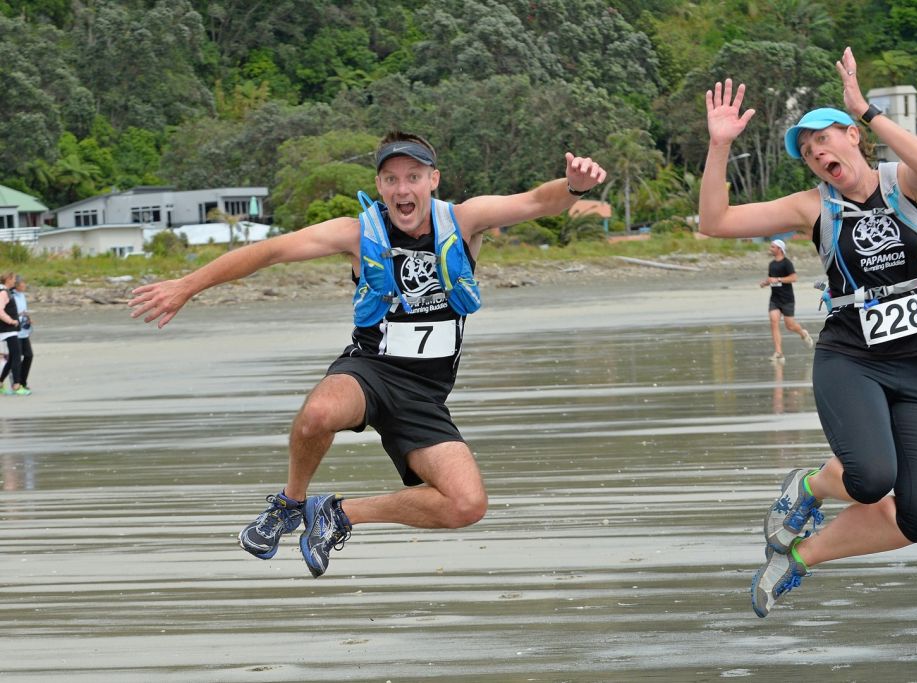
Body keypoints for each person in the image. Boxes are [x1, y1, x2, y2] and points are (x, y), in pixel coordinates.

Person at [129, 131, 607, 578]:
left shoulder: (464, 220)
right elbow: (271, 251)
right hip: (369, 370)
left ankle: (337, 513)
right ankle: (290, 504)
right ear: (379, 184)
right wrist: (187, 285)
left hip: (425, 394)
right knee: (318, 414)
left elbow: (537, 202)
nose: (403, 189)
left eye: (413, 177)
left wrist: (574, 185)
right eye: (392, 179)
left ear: (432, 180)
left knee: (467, 504)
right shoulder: (357, 232)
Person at [699, 47, 917, 617]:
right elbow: (715, 222)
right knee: (870, 477)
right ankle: (809, 487)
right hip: (851, 359)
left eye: (825, 139)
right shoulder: (813, 206)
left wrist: (866, 108)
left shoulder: (903, 182)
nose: (817, 152)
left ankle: (798, 557)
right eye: (809, 152)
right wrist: (719, 146)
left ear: (852, 137)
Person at [760, 238, 814, 362]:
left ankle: (803, 333)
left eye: (773, 247)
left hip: (787, 299)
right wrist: (765, 283)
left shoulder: (787, 263)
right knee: (774, 321)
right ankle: (778, 352)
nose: (770, 249)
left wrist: (778, 279)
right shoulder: (771, 264)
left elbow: (794, 278)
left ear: (780, 249)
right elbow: (771, 279)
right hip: (775, 299)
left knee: (790, 325)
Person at [0, 275, 33, 393]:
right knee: (16, 357)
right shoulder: (8, 294)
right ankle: (17, 384)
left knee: (27, 356)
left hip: (22, 331)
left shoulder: (21, 295)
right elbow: (5, 311)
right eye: (23, 283)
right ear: (16, 284)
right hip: (13, 330)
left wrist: (27, 317)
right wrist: (13, 320)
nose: (25, 285)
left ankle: (18, 382)